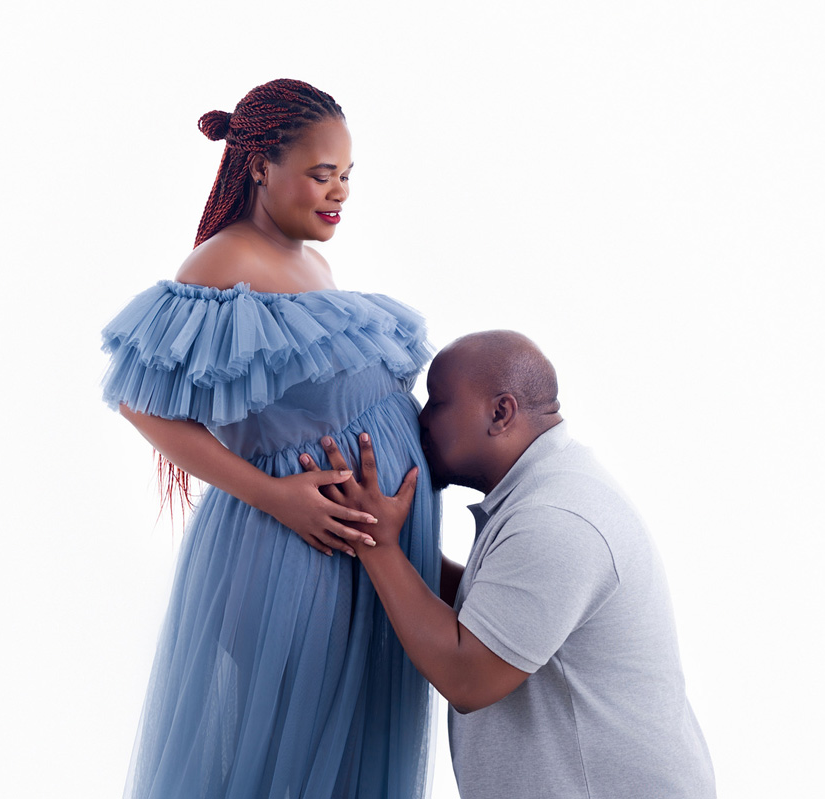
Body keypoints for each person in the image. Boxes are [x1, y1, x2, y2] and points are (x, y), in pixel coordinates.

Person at [99, 79, 439, 799]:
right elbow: (139, 400)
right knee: (287, 765)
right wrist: (278, 497)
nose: (338, 192)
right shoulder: (224, 265)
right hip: (292, 556)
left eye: (346, 175)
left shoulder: (312, 263)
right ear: (258, 166)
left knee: (338, 756)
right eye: (321, 174)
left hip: (350, 554)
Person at [302, 330, 716, 798]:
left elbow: (467, 676)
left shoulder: (557, 520)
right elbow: (493, 616)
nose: (420, 421)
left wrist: (380, 547)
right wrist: (383, 539)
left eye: (436, 402)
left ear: (500, 413)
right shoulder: (547, 490)